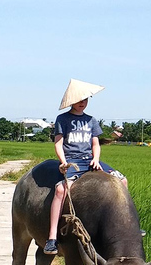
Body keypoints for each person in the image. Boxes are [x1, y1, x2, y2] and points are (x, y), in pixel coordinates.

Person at [44, 79, 129, 255]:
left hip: (90, 160)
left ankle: (126, 226)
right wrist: (63, 162)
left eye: (85, 100)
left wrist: (96, 159)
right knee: (60, 190)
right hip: (73, 161)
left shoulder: (91, 120)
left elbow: (95, 144)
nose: (82, 103)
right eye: (79, 100)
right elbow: (58, 144)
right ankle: (52, 237)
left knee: (123, 180)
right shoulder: (63, 119)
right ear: (71, 102)